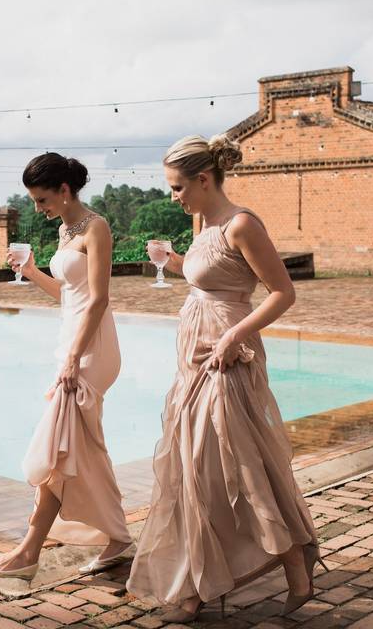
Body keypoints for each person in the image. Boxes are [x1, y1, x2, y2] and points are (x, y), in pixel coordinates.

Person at [127, 135, 324, 621]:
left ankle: (258, 570)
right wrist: (173, 263)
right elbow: (209, 281)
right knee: (198, 469)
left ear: (203, 178)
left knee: (231, 465)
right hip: (195, 356)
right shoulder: (204, 225)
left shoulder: (242, 225)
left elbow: (282, 293)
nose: (174, 196)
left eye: (177, 187)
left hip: (228, 358)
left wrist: (234, 335)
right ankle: (224, 577)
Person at [0, 153, 134, 580]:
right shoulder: (67, 229)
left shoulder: (96, 227)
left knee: (56, 449)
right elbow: (67, 295)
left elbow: (98, 300)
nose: (39, 209)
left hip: (91, 349)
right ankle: (119, 538)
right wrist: (29, 272)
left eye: (42, 200)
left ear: (65, 191)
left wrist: (72, 359)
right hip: (71, 344)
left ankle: (28, 552)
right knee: (83, 451)